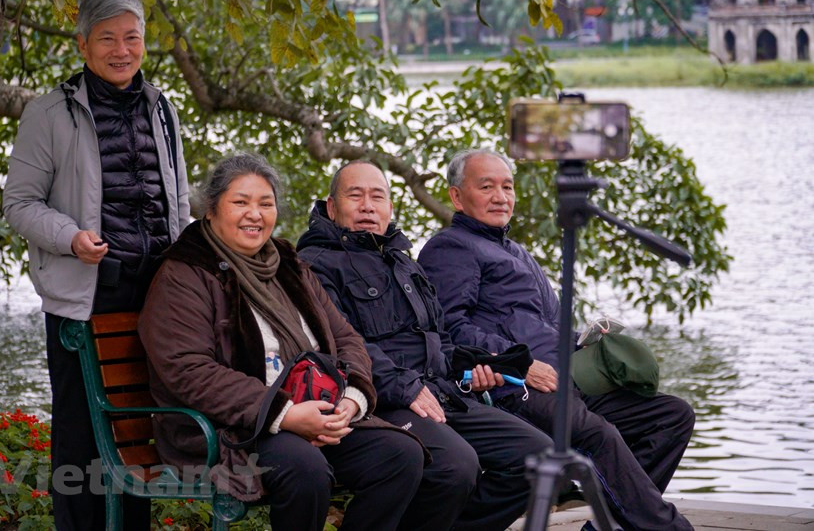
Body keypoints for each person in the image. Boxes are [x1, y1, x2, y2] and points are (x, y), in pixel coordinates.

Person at [138, 153, 425, 530]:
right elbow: (188, 370)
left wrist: (351, 399)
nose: (254, 214)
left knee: (400, 456)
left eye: (265, 204)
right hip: (231, 431)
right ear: (211, 210)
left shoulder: (288, 264)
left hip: (314, 410)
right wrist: (285, 414)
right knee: (304, 469)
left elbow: (345, 338)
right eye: (240, 202)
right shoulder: (185, 274)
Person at [418, 149, 696, 531]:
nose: (501, 197)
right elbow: (448, 328)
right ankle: (669, 527)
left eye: (507, 186)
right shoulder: (450, 248)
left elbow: (547, 323)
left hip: (566, 381)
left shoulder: (515, 250)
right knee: (598, 435)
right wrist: (520, 364)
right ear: (456, 196)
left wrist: (588, 344)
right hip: (512, 387)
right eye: (486, 187)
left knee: (671, 416)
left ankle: (607, 526)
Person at [2, 0, 190, 529]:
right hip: (85, 293)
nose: (121, 49)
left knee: (140, 428)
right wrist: (71, 237)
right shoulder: (49, 112)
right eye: (107, 38)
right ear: (83, 45)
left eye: (132, 37)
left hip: (156, 294)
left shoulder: (162, 106)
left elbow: (174, 199)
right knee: (83, 433)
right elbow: (19, 204)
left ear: (144, 45)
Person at [296, 160, 554, 531]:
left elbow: (442, 340)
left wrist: (478, 369)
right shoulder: (315, 265)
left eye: (378, 197)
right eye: (356, 195)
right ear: (332, 207)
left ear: (390, 208)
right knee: (455, 467)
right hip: (379, 400)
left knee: (539, 458)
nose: (368, 205)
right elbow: (341, 342)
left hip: (441, 393)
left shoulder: (404, 264)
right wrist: (404, 387)